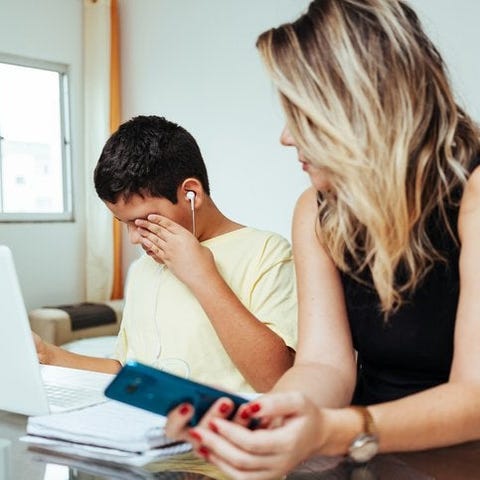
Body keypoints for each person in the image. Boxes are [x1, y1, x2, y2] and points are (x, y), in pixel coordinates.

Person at [164, 1, 480, 477]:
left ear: (360, 108)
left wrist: (334, 429)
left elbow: (473, 397)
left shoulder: (474, 193)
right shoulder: (315, 210)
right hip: (369, 454)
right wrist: (264, 419)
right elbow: (325, 365)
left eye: (302, 116)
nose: (286, 138)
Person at [35, 115, 297, 393]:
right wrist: (48, 356)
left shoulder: (267, 253)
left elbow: (276, 380)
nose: (135, 237)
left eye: (143, 221)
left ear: (191, 194)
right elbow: (127, 371)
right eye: (125, 224)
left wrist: (202, 276)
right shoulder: (143, 269)